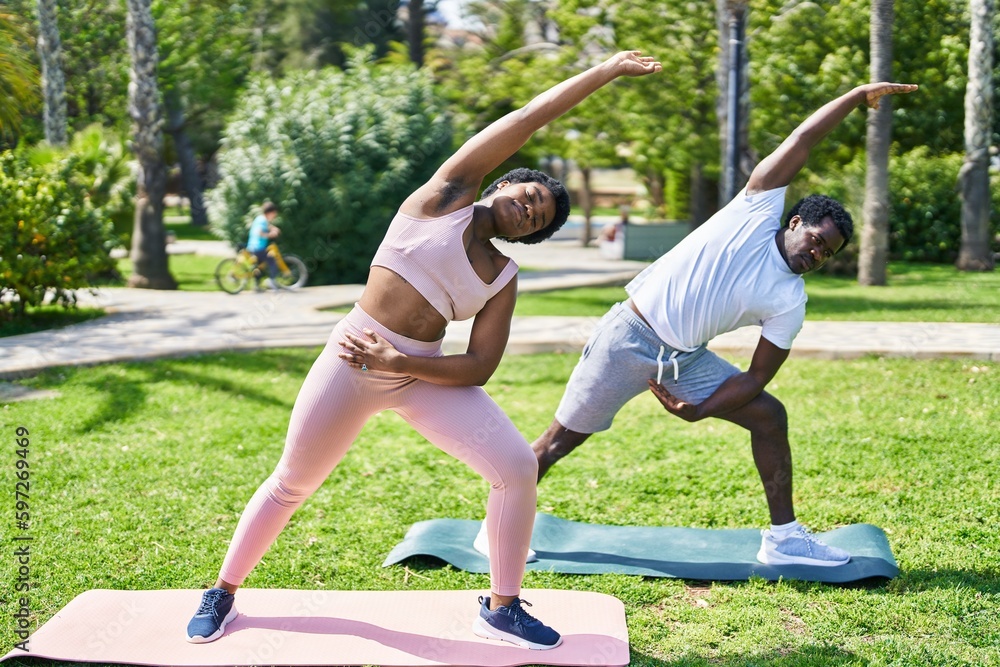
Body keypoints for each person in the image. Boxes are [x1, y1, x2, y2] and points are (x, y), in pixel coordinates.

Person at [185, 51, 662, 650]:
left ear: (529, 235)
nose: (527, 207)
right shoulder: (445, 197)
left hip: (418, 374)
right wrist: (607, 71)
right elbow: (528, 117)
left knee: (516, 469)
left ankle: (502, 606)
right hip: (353, 357)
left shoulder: (501, 275)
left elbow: (481, 366)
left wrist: (403, 365)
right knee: (293, 482)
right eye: (528, 194)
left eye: (536, 216)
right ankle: (223, 591)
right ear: (505, 183)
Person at [477, 81, 918, 568]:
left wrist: (701, 409)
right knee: (558, 442)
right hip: (628, 337)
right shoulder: (757, 208)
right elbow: (802, 140)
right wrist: (856, 97)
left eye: (827, 253)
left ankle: (784, 539)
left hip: (684, 358)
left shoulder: (791, 300)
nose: (817, 254)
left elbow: (755, 378)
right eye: (816, 239)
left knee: (769, 415)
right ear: (794, 223)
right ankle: (494, 530)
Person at [246, 201, 281, 291]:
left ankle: (256, 286)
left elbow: (268, 226)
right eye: (274, 214)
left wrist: (274, 229)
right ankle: (271, 281)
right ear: (269, 213)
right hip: (258, 248)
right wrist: (270, 235)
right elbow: (259, 232)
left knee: (259, 266)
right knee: (272, 260)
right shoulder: (262, 220)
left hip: (252, 247)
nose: (274, 216)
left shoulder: (260, 219)